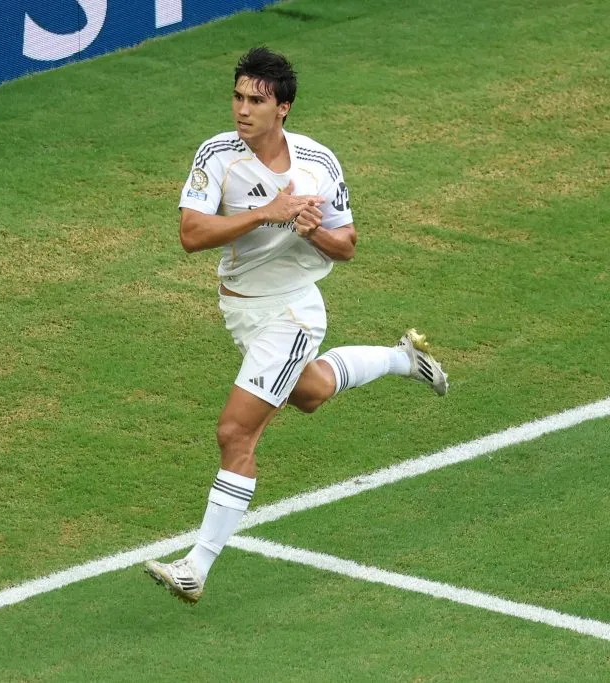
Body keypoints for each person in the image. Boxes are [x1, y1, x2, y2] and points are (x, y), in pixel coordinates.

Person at [143, 47, 448, 604]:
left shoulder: (318, 164)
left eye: (256, 101)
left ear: (282, 108)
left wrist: (311, 231)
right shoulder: (217, 155)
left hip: (292, 313)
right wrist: (268, 212)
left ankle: (196, 567)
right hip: (242, 309)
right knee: (309, 393)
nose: (242, 110)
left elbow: (346, 246)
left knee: (235, 433)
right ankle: (403, 358)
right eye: (237, 97)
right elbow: (191, 234)